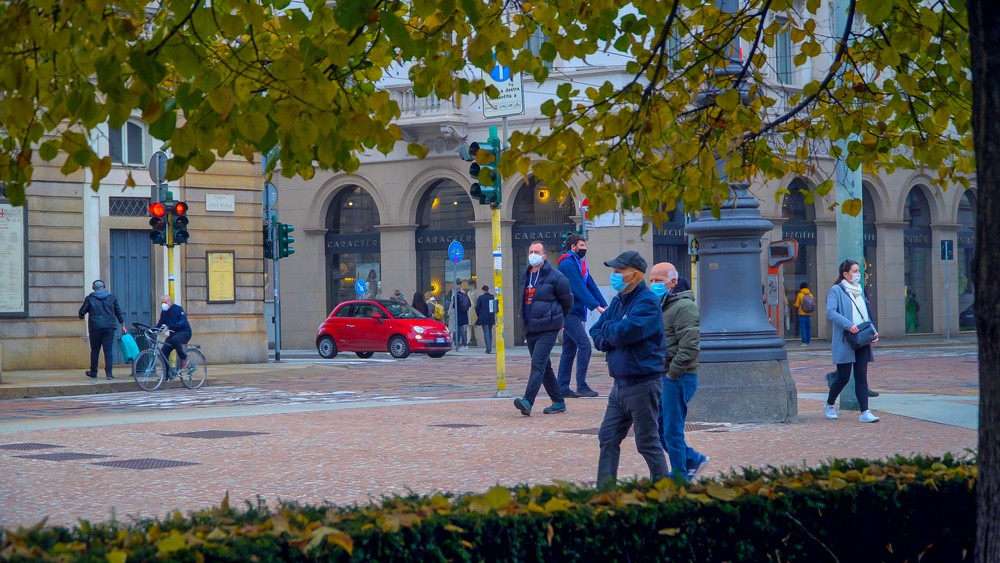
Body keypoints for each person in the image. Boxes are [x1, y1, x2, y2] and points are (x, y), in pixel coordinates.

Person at [590, 251, 669, 486]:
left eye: (618, 271)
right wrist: (613, 331)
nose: (614, 275)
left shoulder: (646, 302)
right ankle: (605, 491)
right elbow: (597, 332)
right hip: (620, 385)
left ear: (634, 275)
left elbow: (626, 333)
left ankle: (664, 490)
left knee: (646, 442)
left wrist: (612, 331)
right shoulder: (618, 301)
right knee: (607, 436)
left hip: (643, 383)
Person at [648, 264, 709, 482]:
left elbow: (690, 347)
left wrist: (672, 374)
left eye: (658, 280)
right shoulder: (663, 305)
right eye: (652, 280)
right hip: (666, 376)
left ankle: (681, 478)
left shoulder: (684, 307)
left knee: (672, 430)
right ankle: (691, 460)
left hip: (678, 377)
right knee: (661, 428)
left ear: (672, 282)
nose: (653, 284)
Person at [513, 241, 574, 416]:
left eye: (537, 251)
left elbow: (567, 301)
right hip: (530, 327)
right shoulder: (525, 275)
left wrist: (559, 319)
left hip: (548, 327)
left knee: (537, 364)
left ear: (544, 255)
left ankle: (527, 401)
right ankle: (559, 401)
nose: (533, 254)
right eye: (531, 251)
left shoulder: (556, 277)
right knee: (545, 366)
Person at [825, 259, 880, 423]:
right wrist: (848, 325)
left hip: (862, 339)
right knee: (843, 377)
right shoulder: (836, 290)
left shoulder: (860, 290)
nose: (858, 274)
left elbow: (866, 314)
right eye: (855, 271)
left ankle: (865, 411)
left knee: (861, 376)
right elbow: (830, 312)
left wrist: (873, 332)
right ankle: (829, 404)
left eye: (858, 271)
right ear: (845, 274)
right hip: (846, 339)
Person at [556, 234, 608, 398]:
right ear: (573, 247)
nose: (584, 248)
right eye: (582, 245)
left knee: (569, 350)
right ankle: (581, 385)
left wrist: (604, 304)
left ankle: (562, 387)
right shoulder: (567, 263)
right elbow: (578, 287)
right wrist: (596, 306)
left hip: (575, 312)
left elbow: (590, 285)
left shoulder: (579, 264)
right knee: (584, 345)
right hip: (568, 312)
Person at [78, 280, 127, 380]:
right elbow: (118, 312)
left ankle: (93, 372)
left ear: (93, 288)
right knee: (108, 350)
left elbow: (82, 311)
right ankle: (109, 373)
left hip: (95, 327)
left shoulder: (90, 298)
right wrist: (123, 325)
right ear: (103, 287)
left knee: (95, 350)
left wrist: (81, 316)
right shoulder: (111, 298)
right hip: (109, 327)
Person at [156, 294, 193, 374]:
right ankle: (167, 374)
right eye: (162, 303)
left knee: (175, 339)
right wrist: (151, 330)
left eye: (165, 302)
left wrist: (176, 324)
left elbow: (183, 320)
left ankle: (184, 358)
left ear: (170, 302)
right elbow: (160, 324)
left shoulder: (178, 309)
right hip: (173, 334)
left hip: (184, 332)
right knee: (163, 352)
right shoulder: (163, 313)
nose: (163, 304)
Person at [475, 285, 496, 353]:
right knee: (490, 332)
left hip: (483, 317)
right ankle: (490, 346)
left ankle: (488, 348)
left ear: (483, 290)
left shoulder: (480, 297)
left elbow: (477, 308)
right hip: (491, 317)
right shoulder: (492, 297)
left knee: (486, 332)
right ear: (488, 289)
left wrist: (479, 315)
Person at [793, 282, 814, 347]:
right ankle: (808, 341)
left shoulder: (800, 295)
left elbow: (797, 304)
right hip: (809, 313)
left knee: (803, 327)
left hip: (802, 313)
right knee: (808, 327)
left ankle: (804, 342)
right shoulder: (811, 295)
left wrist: (794, 305)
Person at [455, 285, 472, 350]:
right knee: (460, 328)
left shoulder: (457, 295)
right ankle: (457, 342)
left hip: (459, 313)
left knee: (460, 328)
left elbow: (454, 305)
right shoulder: (465, 295)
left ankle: (465, 344)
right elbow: (470, 304)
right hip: (464, 314)